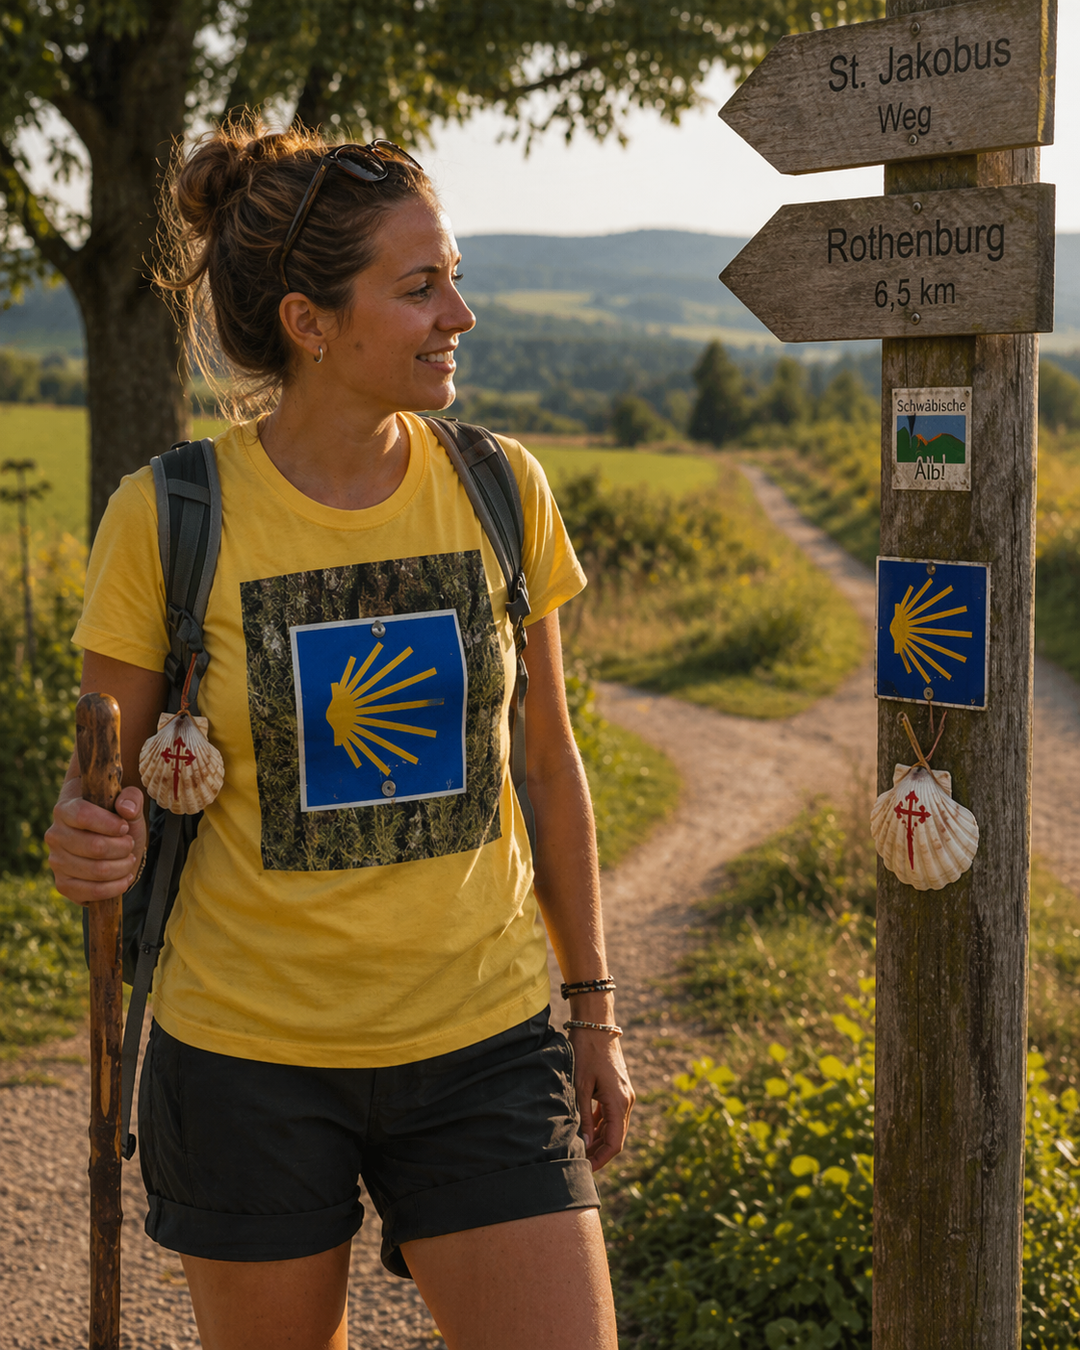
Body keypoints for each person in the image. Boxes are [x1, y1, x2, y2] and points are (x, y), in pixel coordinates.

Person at [45, 122, 634, 1350]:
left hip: (482, 1044)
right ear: (309, 323)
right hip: (245, 1060)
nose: (460, 314)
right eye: (419, 289)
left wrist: (593, 1007)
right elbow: (100, 793)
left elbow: (546, 763)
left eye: (454, 277)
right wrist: (86, 841)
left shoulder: (501, 487)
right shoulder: (170, 516)